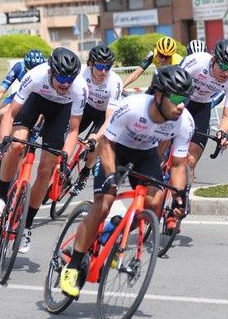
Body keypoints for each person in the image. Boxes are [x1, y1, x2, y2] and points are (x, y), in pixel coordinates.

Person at [59, 66, 195, 298]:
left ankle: (114, 230)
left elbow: (178, 164)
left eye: (185, 99)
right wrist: (111, 176)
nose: (181, 105)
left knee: (156, 200)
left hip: (145, 154)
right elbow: (106, 144)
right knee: (103, 203)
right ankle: (73, 266)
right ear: (160, 95)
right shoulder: (132, 107)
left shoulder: (184, 122)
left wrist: (180, 195)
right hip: (115, 149)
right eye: (176, 99)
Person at [0, 47, 87, 254]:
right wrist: (5, 139)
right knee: (16, 145)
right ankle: (1, 197)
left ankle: (27, 226)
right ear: (50, 71)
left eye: (70, 78)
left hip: (59, 113)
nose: (65, 83)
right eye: (60, 77)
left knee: (46, 170)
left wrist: (66, 160)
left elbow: (74, 129)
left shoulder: (79, 88)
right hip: (34, 103)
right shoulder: (36, 75)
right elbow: (10, 113)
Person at [179, 40, 228, 206]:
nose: (226, 73)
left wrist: (222, 132)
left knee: (191, 159)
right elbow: (173, 81)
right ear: (213, 60)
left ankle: (179, 203)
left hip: (202, 106)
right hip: (181, 99)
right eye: (223, 67)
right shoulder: (197, 61)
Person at [70, 45, 123, 196]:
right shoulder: (81, 73)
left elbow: (109, 118)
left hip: (104, 115)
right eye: (100, 66)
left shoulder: (115, 82)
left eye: (108, 67)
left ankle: (84, 174)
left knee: (94, 145)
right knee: (68, 134)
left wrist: (96, 137)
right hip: (86, 107)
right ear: (91, 64)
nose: (103, 71)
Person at [0, 49, 46, 149]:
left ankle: (29, 145)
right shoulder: (19, 67)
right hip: (22, 93)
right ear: (25, 66)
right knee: (1, 113)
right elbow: (0, 92)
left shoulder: (47, 70)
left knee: (35, 122)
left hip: (40, 96)